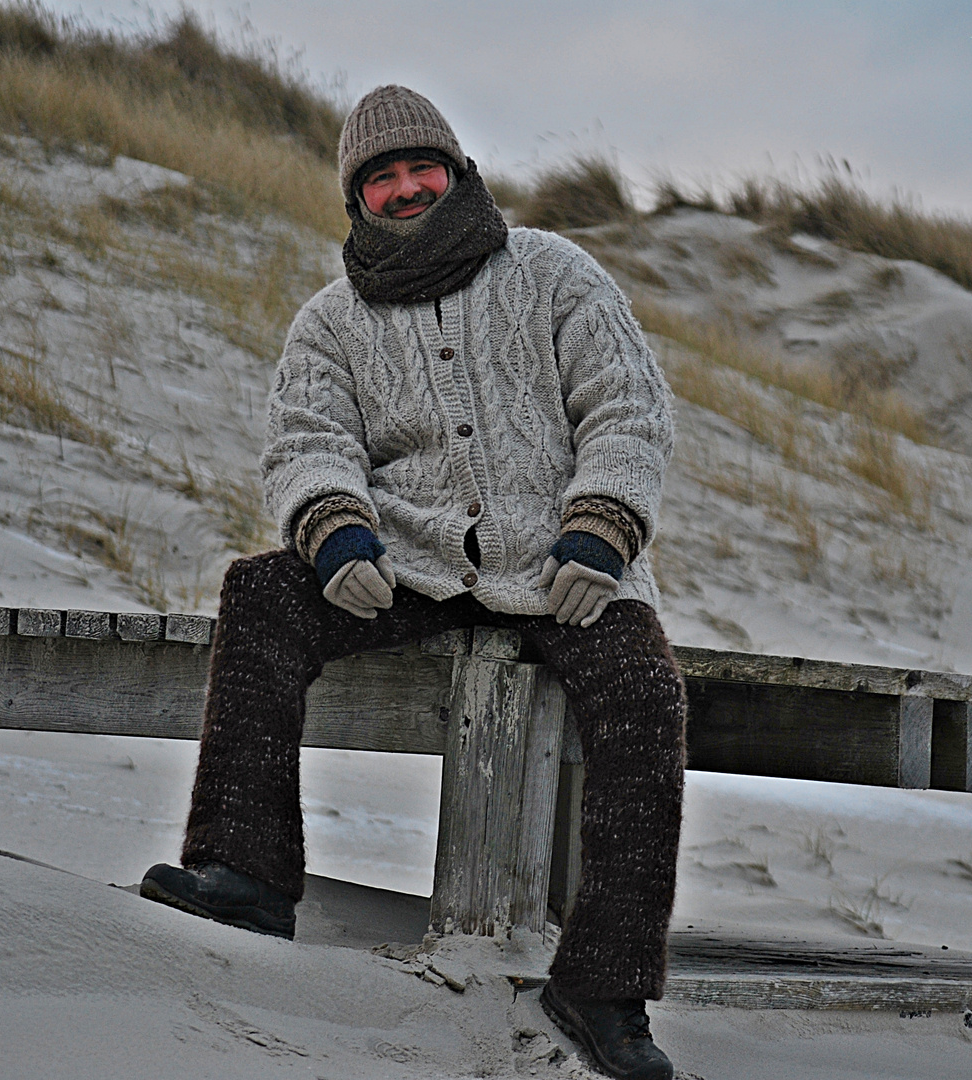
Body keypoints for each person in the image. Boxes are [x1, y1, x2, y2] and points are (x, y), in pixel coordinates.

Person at [141, 85, 685, 1080]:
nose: (403, 188)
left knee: (646, 694)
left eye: (417, 168)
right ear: (355, 196)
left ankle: (601, 989)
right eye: (379, 177)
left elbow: (627, 409)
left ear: (455, 169)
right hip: (414, 563)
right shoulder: (329, 323)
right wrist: (335, 531)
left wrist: (600, 530)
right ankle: (244, 871)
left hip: (561, 562)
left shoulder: (553, 272)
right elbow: (307, 441)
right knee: (259, 593)